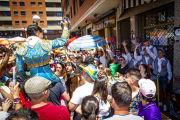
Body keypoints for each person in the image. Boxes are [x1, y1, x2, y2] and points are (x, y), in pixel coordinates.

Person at [16, 18, 70, 83]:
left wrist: (26, 80)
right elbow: (63, 41)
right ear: (38, 32)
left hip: (33, 81)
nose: (42, 36)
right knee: (61, 89)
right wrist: (65, 27)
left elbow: (19, 69)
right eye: (42, 34)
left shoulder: (21, 48)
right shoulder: (45, 44)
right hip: (50, 79)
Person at [147, 47, 172, 111]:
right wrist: (147, 47)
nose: (159, 54)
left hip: (163, 77)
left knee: (164, 91)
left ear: (163, 54)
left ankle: (165, 104)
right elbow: (150, 53)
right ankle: (160, 102)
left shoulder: (166, 61)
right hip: (156, 77)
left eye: (160, 53)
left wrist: (169, 78)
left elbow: (169, 70)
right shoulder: (155, 59)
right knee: (159, 90)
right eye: (158, 53)